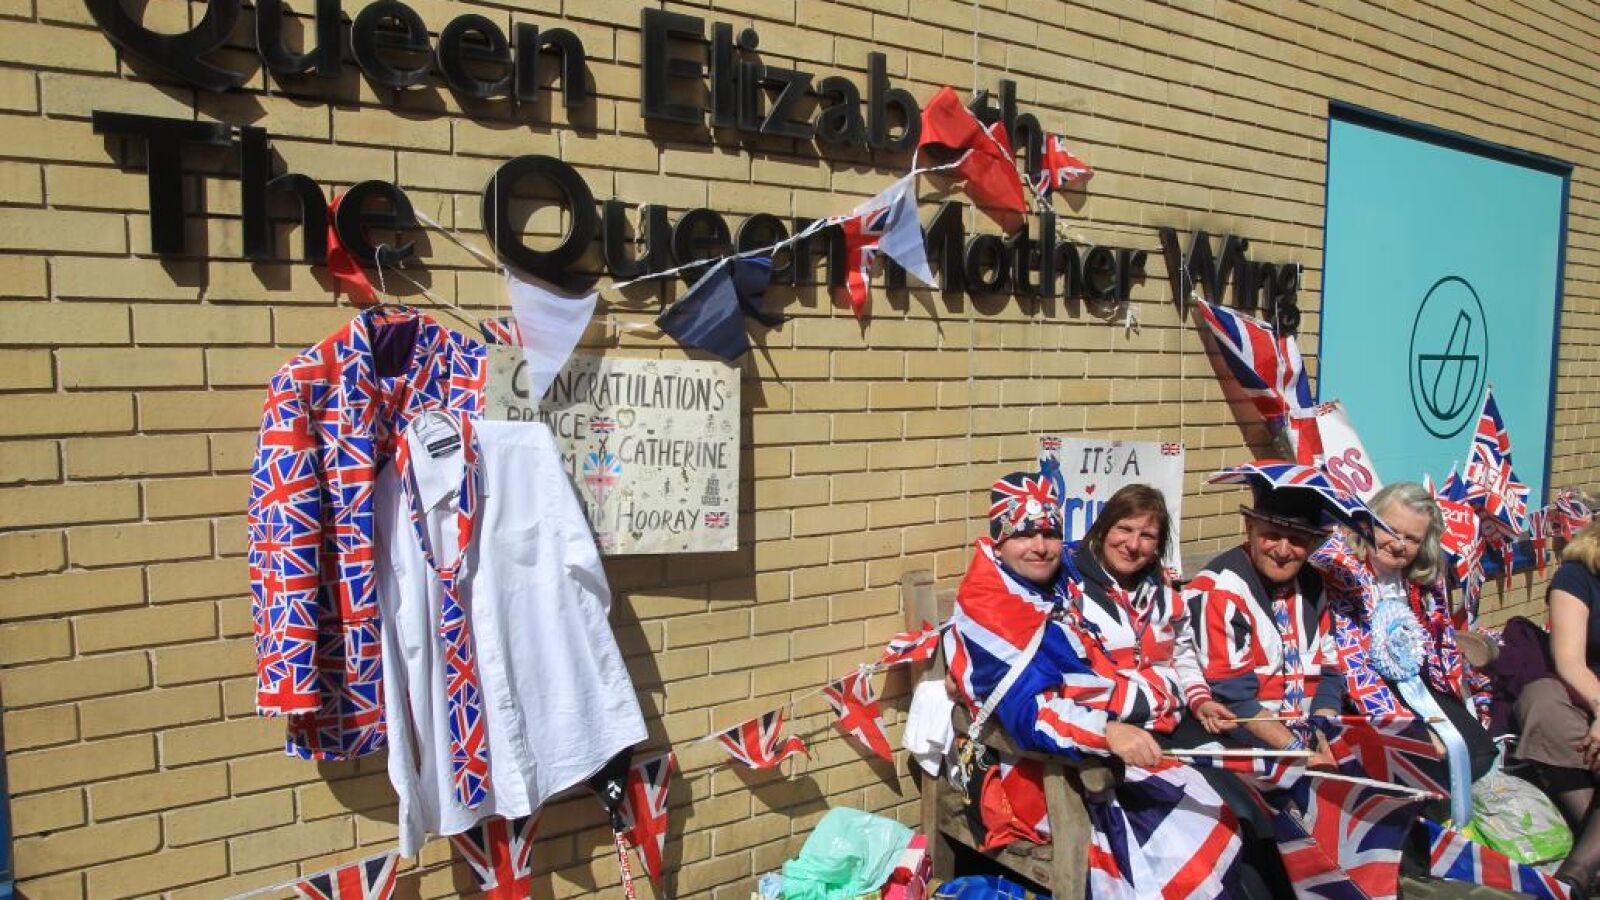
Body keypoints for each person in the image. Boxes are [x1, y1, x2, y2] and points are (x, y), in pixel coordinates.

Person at [942, 472, 1246, 898]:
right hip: (1045, 771)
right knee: (1193, 835)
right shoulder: (995, 607)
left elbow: (1096, 564)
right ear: (999, 541)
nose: (1040, 546)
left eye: (1049, 533)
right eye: (1024, 534)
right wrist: (1107, 733)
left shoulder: (1054, 577)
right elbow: (1033, 716)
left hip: (1108, 736)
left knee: (1232, 803)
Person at [1312, 482, 1497, 795]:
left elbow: (1439, 645)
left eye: (1412, 539)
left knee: (1478, 752)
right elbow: (1349, 658)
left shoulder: (1423, 581)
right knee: (1426, 761)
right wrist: (1413, 731)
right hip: (1357, 688)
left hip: (1416, 683)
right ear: (1367, 522)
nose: (1399, 545)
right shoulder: (1337, 569)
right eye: (1390, 530)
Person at [1182, 478, 1346, 757]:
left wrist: (1324, 735)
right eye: (1272, 535)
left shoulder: (1314, 584)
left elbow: (1330, 673)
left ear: (1312, 543)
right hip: (1247, 738)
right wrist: (1302, 754)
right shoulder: (1222, 590)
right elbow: (1234, 699)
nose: (1283, 551)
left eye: (1297, 540)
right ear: (1249, 528)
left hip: (1309, 731)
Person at [1514, 520, 1600, 895]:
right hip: (1586, 692)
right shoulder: (1577, 575)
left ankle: (1574, 877)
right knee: (1541, 702)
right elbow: (1570, 661)